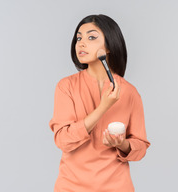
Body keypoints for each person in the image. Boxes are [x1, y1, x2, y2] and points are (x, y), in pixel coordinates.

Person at [49, 14, 151, 192]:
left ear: (109, 46)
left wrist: (121, 144)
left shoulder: (130, 92)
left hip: (117, 187)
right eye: (79, 38)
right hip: (71, 187)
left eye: (91, 37)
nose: (81, 43)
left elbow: (140, 148)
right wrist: (103, 107)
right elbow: (63, 140)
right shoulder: (66, 86)